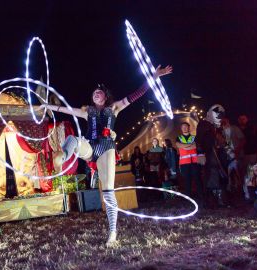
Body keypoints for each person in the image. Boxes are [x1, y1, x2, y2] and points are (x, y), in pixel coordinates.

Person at [42, 65, 173, 246]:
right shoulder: (87, 111)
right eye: (94, 92)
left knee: (108, 191)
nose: (96, 94)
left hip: (107, 148)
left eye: (99, 92)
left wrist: (155, 75)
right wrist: (46, 105)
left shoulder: (115, 107)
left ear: (105, 95)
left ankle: (112, 234)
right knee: (73, 139)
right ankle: (61, 157)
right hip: (91, 145)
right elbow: (65, 110)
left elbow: (138, 93)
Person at [196, 104, 227, 207]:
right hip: (208, 154)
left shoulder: (213, 126)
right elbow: (199, 139)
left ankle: (217, 200)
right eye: (218, 116)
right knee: (211, 175)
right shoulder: (204, 124)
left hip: (215, 153)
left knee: (217, 174)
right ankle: (210, 201)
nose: (220, 119)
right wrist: (200, 153)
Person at [175, 122, 203, 202]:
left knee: (198, 180)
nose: (184, 128)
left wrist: (185, 146)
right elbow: (179, 145)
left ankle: (201, 197)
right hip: (184, 163)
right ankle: (189, 199)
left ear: (188, 127)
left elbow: (195, 146)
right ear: (181, 128)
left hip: (194, 162)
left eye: (186, 126)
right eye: (183, 127)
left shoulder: (194, 137)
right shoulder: (178, 138)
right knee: (187, 181)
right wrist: (190, 145)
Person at [221, 117, 245, 192]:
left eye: (225, 121)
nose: (223, 123)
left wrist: (237, 150)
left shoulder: (234, 128)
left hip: (237, 154)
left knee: (240, 172)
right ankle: (233, 188)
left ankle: (243, 189)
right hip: (229, 155)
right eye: (222, 122)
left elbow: (243, 140)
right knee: (231, 173)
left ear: (228, 121)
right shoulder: (222, 132)